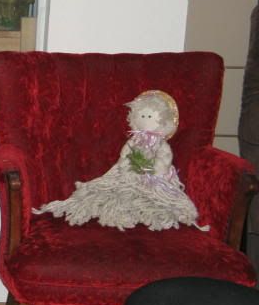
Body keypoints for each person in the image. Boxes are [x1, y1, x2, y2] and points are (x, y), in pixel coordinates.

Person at [33, 90, 204, 232]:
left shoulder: (161, 145)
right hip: (129, 172)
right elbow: (125, 155)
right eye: (142, 115)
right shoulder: (134, 141)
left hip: (154, 177)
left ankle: (149, 209)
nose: (146, 119)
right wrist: (126, 165)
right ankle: (119, 207)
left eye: (150, 116)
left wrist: (154, 171)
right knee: (116, 189)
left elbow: (164, 159)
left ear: (164, 121)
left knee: (156, 196)